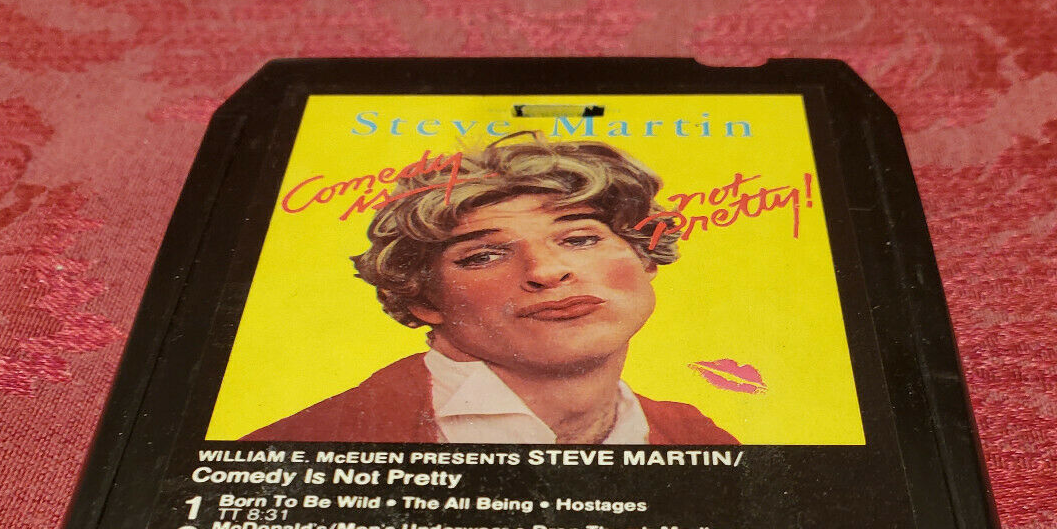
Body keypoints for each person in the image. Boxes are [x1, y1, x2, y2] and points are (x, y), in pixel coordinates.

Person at [244, 137, 737, 445]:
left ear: (644, 257)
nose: (547, 272)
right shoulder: (306, 444)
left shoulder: (699, 438)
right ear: (423, 299)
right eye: (483, 255)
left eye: (580, 238)